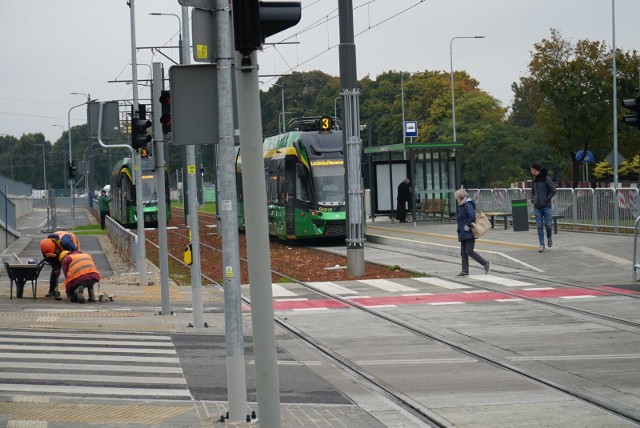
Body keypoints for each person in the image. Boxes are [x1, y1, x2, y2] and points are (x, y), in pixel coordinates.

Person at [455, 188, 490, 276]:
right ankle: (465, 270)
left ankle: (485, 263)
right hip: (463, 232)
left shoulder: (467, 204)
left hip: (468, 231)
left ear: (460, 197)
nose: (456, 199)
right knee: (463, 252)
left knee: (469, 251)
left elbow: (471, 216)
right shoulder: (463, 205)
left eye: (457, 197)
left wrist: (467, 226)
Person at [39, 231, 80, 298]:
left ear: (55, 245)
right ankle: (51, 291)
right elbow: (48, 259)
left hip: (70, 250)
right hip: (57, 250)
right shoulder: (44, 245)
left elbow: (76, 255)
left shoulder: (67, 243)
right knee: (55, 271)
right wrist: (55, 268)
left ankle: (71, 291)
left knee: (70, 270)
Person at [530, 162, 557, 252]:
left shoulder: (546, 178)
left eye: (531, 169)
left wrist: (547, 199)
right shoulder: (534, 179)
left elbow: (553, 190)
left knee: (548, 225)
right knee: (539, 226)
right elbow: (532, 191)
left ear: (534, 169)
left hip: (546, 206)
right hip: (537, 206)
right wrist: (532, 199)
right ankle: (542, 244)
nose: (531, 171)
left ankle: (549, 238)